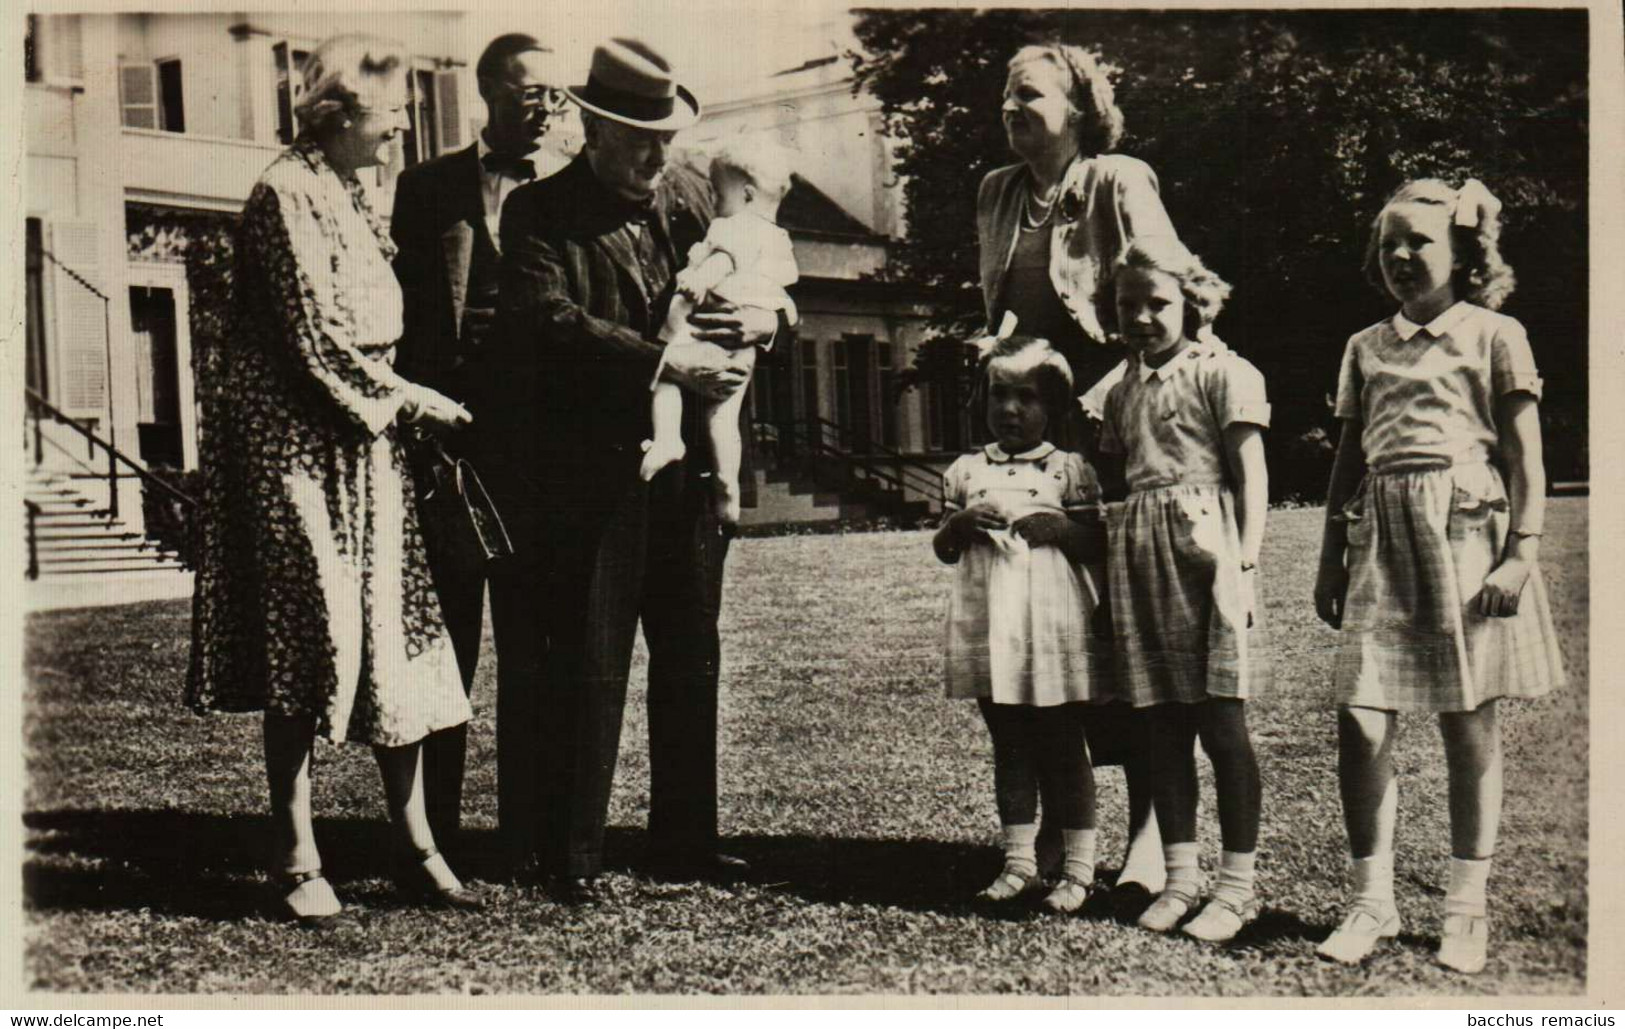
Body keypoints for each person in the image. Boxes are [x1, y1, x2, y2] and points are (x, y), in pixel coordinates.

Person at [479, 38, 784, 902]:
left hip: (687, 475)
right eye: (643, 137)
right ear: (594, 129)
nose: (659, 154)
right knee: (590, 661)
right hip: (591, 478)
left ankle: (686, 840)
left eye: (666, 136)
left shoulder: (687, 203)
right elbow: (547, 320)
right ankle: (570, 853)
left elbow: (755, 266)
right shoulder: (538, 212)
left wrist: (762, 323)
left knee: (691, 655)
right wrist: (664, 363)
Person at [186, 33, 481, 925]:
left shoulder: (355, 192)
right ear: (339, 114)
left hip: (367, 450)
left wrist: (401, 403)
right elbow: (312, 337)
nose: (399, 133)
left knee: (396, 631)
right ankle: (296, 852)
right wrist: (413, 399)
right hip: (297, 454)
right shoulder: (285, 191)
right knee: (308, 640)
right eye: (390, 118)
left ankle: (415, 841)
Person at [1312, 179, 1566, 974]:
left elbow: (1525, 455)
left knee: (1466, 723)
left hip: (1464, 535)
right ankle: (1370, 900)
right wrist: (1329, 550)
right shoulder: (1363, 346)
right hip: (1380, 537)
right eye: (1387, 242)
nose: (1399, 255)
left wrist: (1520, 550)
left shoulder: (1495, 333)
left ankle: (1464, 906)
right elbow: (1347, 457)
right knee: (1359, 718)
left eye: (1418, 241)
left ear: (1461, 253)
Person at [974, 40, 1178, 916]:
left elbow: (1174, 289)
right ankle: (1057, 832)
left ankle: (1145, 836)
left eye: (1029, 96)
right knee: (1044, 637)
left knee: (1120, 638)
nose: (1012, 110)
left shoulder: (1117, 180)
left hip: (1114, 434)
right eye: (1005, 97)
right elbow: (1010, 313)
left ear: (1078, 105)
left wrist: (1107, 395)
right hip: (1037, 446)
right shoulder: (995, 193)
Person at [391, 32, 570, 859]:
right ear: (488, 91)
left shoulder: (571, 188)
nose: (546, 108)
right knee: (444, 642)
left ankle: (528, 833)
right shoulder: (423, 189)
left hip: (538, 451)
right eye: (531, 92)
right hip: (446, 448)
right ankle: (439, 833)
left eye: (554, 95)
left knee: (533, 642)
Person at [1097, 238, 1269, 943]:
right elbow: (1116, 483)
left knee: (1221, 728)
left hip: (1208, 557)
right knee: (1160, 728)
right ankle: (1179, 877)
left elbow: (1249, 474)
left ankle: (1236, 885)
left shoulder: (1223, 372)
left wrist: (1246, 563)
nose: (1140, 317)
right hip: (1139, 560)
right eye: (1126, 304)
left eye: (1157, 302)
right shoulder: (1118, 389)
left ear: (1192, 305)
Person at [933, 333, 1110, 915]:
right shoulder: (965, 470)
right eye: (999, 395)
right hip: (993, 625)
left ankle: (1079, 869)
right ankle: (1018, 863)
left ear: (1052, 407)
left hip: (1050, 626)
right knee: (1008, 743)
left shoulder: (1068, 470)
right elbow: (943, 548)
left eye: (1026, 397)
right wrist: (960, 524)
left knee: (1063, 745)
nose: (1010, 409)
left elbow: (1094, 542)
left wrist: (1061, 530)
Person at [642, 139, 799, 527]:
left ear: (745, 194)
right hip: (735, 353)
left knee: (666, 377)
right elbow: (783, 293)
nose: (711, 199)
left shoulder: (732, 225)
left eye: (716, 192)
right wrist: (774, 317)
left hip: (703, 333)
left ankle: (667, 439)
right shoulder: (777, 237)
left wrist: (769, 324)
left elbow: (727, 260)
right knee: (722, 421)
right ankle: (727, 486)